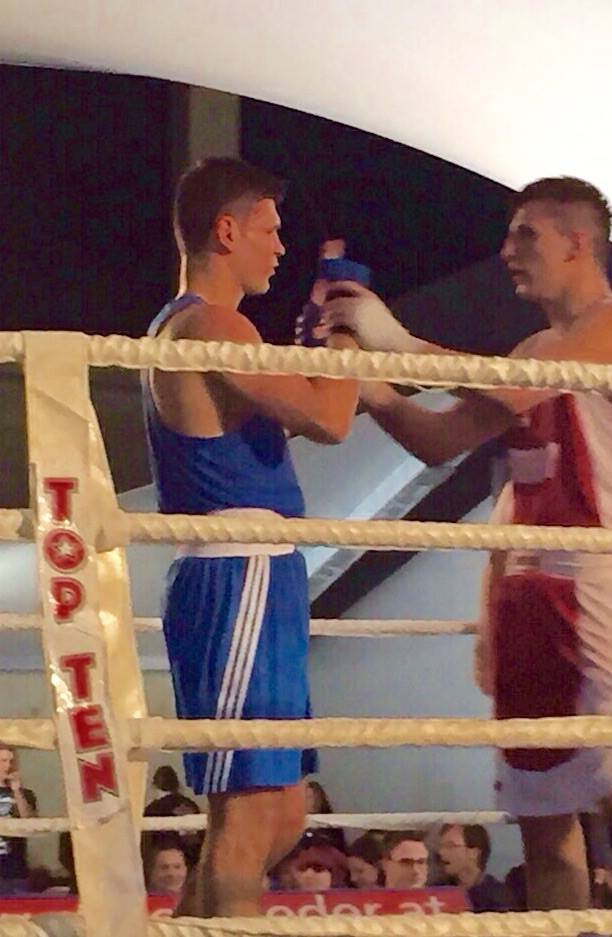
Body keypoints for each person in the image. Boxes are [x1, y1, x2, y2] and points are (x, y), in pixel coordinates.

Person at [323, 176, 612, 911]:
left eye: (526, 235)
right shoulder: (531, 349)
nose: (508, 251)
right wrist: (367, 381)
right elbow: (439, 441)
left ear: (577, 243)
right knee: (542, 821)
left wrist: (401, 343)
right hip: (527, 601)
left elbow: (517, 391)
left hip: (605, 587)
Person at [143, 156, 359, 918]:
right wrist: (350, 339)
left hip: (260, 574)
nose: (280, 246)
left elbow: (289, 419)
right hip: (238, 573)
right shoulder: (210, 322)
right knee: (243, 820)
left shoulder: (201, 325)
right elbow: (330, 418)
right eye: (269, 230)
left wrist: (317, 358)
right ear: (227, 231)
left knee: (284, 812)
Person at [436, 823, 512, 911]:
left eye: (450, 846)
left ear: (474, 853)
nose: (441, 852)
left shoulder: (496, 895)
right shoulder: (438, 890)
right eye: (441, 846)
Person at [0, 744, 38, 888]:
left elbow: (29, 822)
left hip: (14, 870)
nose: (7, 766)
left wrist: (16, 791)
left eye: (11, 761)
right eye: (3, 761)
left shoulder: (25, 794)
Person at [304, 777, 347, 852]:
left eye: (309, 797)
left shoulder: (331, 823)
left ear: (318, 799)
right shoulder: (296, 822)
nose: (305, 801)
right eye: (303, 798)